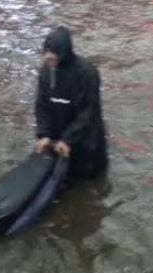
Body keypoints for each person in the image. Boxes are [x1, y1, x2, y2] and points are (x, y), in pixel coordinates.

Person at [34, 26, 108, 178]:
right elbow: (41, 105)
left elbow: (88, 112)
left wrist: (68, 139)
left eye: (53, 53)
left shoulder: (87, 73)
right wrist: (44, 134)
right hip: (57, 136)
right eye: (46, 52)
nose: (48, 57)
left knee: (87, 180)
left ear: (64, 53)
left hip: (86, 141)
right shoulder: (46, 71)